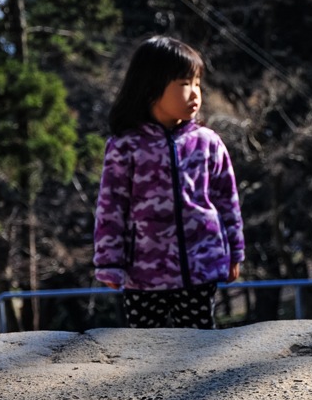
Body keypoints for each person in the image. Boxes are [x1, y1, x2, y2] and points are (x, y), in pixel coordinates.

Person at [93, 36, 245, 329]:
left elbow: (228, 201)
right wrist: (109, 263)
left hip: (201, 269)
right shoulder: (125, 146)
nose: (195, 94)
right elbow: (111, 208)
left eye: (198, 83)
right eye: (184, 84)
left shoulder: (208, 143)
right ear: (151, 87)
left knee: (200, 346)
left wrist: (235, 253)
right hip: (144, 275)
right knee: (144, 350)